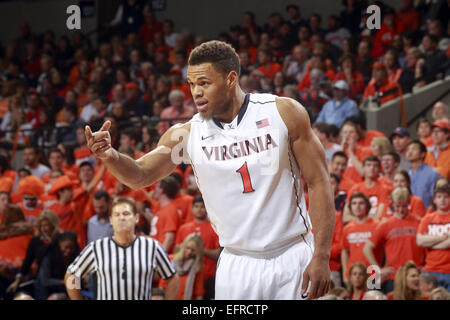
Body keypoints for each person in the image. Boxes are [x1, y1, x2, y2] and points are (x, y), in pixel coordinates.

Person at [84, 40, 334, 300]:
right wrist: (110, 156)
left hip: (291, 254)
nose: (196, 92)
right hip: (235, 263)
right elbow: (140, 175)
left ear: (230, 79)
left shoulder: (282, 113)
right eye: (191, 84)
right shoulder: (187, 135)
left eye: (204, 83)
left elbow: (319, 182)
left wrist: (321, 255)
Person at [65, 197, 179, 300]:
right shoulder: (96, 247)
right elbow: (71, 275)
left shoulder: (152, 247)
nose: (121, 218)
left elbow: (173, 278)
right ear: (111, 220)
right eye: (117, 215)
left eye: (126, 213)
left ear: (136, 218)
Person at [363, 187, 425, 294]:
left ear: (409, 204)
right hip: (394, 277)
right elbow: (367, 248)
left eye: (404, 206)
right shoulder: (385, 225)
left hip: (416, 275)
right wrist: (378, 269)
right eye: (397, 206)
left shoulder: (419, 222)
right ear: (392, 204)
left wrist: (426, 265)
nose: (401, 210)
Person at [174, 195, 220, 299]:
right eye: (196, 206)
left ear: (207, 208)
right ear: (192, 208)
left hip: (209, 276)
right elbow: (177, 250)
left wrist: (199, 250)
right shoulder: (183, 228)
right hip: (186, 274)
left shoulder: (215, 228)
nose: (199, 209)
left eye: (202, 207)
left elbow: (219, 253)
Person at [6, 210, 61, 296]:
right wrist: (17, 281)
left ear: (53, 225)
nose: (43, 228)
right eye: (41, 226)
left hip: (60, 281)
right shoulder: (35, 241)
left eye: (46, 225)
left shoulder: (61, 239)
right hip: (42, 284)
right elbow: (27, 262)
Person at [341, 193, 380, 284]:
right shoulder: (347, 228)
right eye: (354, 203)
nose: (357, 206)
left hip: (372, 273)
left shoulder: (377, 225)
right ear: (350, 207)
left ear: (367, 206)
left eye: (361, 203)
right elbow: (344, 251)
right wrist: (345, 273)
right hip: (353, 275)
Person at [417, 184, 450, 290]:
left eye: (446, 197)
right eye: (439, 197)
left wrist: (432, 244)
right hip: (431, 269)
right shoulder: (427, 219)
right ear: (434, 200)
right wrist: (443, 237)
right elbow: (420, 241)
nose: (443, 200)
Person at [35, 231, 80, 300]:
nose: (68, 250)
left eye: (71, 248)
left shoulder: (76, 256)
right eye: (66, 247)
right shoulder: (49, 256)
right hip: (45, 291)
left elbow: (77, 280)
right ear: (60, 243)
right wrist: (65, 281)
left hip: (64, 290)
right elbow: (45, 281)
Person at [160, 233, 205, 300]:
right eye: (187, 248)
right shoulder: (170, 259)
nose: (189, 252)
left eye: (193, 250)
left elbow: (199, 292)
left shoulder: (198, 266)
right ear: (183, 246)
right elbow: (162, 285)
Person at [407, 140, 441, 209]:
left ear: (423, 154)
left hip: (426, 215)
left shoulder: (432, 174)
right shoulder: (406, 174)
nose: (410, 152)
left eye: (414, 149)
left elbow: (437, 198)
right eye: (408, 150)